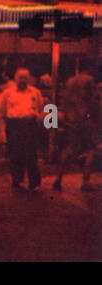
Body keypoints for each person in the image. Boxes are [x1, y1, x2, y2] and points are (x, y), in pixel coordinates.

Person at [54, 58, 99, 192]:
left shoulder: (69, 81)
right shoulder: (89, 80)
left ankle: (58, 178)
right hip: (85, 118)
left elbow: (65, 101)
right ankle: (85, 182)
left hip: (71, 119)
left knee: (70, 148)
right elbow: (92, 101)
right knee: (91, 148)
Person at [0, 68, 45, 189]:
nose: (23, 80)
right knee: (15, 154)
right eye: (21, 77)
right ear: (15, 78)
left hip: (29, 125)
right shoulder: (8, 93)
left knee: (31, 154)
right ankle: (17, 180)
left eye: (25, 77)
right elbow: (2, 112)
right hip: (14, 125)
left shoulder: (35, 92)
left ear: (29, 78)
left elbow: (40, 109)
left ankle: (34, 182)